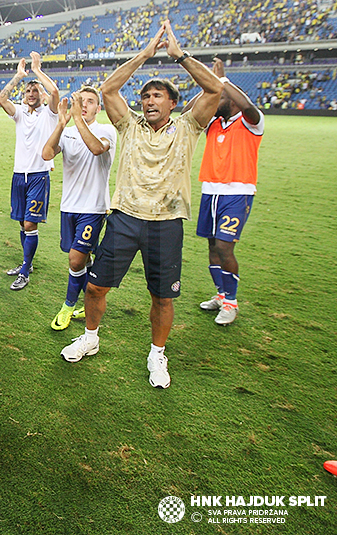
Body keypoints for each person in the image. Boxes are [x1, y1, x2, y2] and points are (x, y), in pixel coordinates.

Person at [60, 21, 223, 389]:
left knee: (162, 296)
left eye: (158, 96)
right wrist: (145, 54)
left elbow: (215, 88)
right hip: (125, 218)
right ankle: (90, 336)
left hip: (167, 221)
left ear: (173, 103)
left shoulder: (188, 127)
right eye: (146, 95)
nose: (149, 100)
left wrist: (178, 56)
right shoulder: (128, 125)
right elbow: (109, 88)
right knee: (95, 288)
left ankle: (156, 353)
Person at [183, 58, 264, 326]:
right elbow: (187, 111)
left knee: (224, 246)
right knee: (211, 246)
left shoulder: (251, 121)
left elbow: (249, 107)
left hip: (237, 192)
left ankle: (232, 302)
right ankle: (221, 294)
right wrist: (210, 87)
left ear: (229, 100)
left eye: (217, 99)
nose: (212, 103)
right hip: (211, 190)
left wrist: (222, 81)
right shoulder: (214, 124)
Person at [41, 87, 116, 330]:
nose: (84, 105)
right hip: (68, 206)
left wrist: (75, 119)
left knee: (75, 261)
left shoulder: (106, 131)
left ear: (98, 108)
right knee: (83, 258)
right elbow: (46, 153)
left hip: (93, 208)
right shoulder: (69, 131)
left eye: (90, 102)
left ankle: (68, 306)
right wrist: (61, 124)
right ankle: (92, 298)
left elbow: (96, 148)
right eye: (80, 101)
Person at [0, 51, 59, 291]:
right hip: (18, 175)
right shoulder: (20, 113)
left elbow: (54, 92)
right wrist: (18, 76)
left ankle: (25, 271)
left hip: (38, 175)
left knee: (31, 225)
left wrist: (36, 70)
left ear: (41, 95)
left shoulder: (50, 114)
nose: (32, 94)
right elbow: (2, 98)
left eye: (35, 91)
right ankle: (27, 263)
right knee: (22, 224)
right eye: (28, 91)